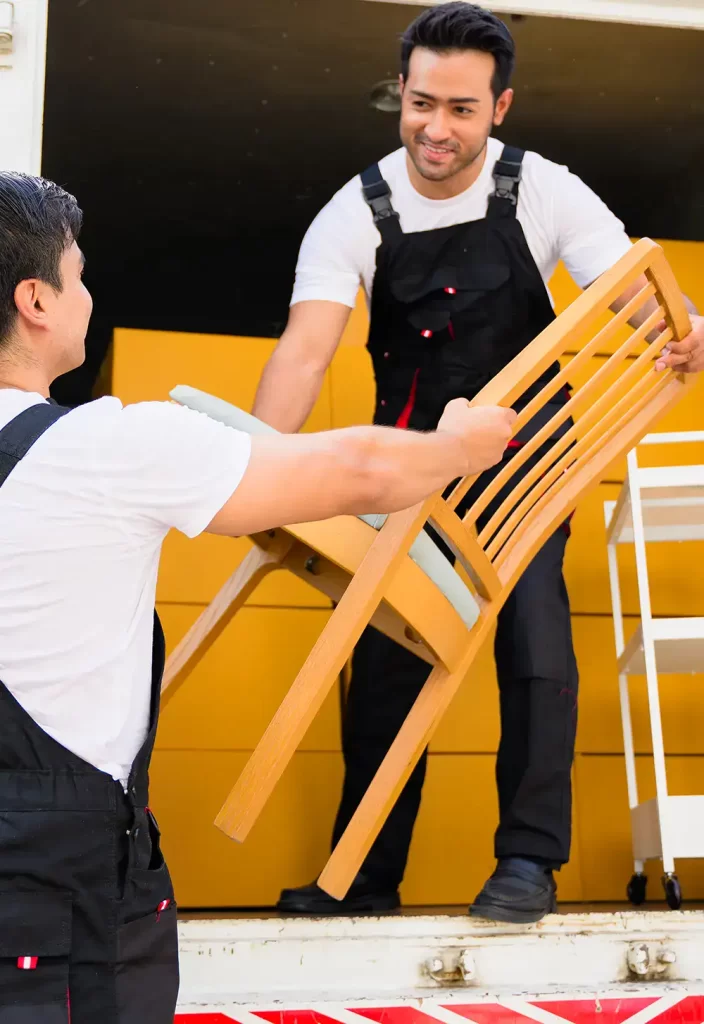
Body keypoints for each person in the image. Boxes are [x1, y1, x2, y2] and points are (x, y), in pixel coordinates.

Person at [0, 171, 516, 1024]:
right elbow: (357, 472)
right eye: (79, 273)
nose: (88, 292)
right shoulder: (105, 447)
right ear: (37, 301)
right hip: (53, 889)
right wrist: (456, 443)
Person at [252, 2, 704, 923]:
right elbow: (303, 354)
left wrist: (683, 332)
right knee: (381, 670)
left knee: (537, 651)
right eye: (420, 104)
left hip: (529, 466)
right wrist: (251, 467)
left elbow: (635, 297)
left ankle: (528, 865)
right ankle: (363, 878)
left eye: (461, 109)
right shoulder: (356, 210)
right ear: (401, 96)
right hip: (406, 468)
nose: (435, 129)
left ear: (500, 108)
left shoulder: (545, 190)